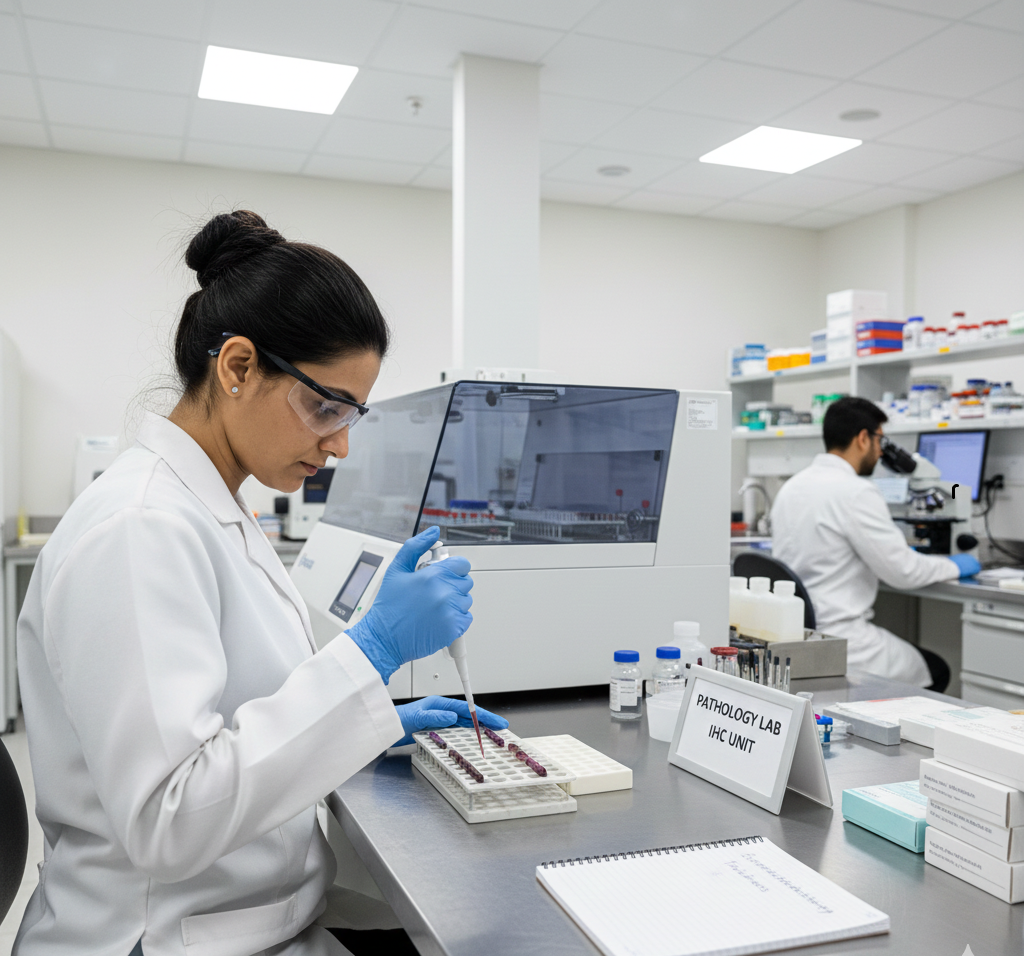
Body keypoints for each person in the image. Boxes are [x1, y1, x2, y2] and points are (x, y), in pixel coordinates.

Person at [14, 211, 507, 956]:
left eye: (354, 414)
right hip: (165, 935)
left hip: (245, 912)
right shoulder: (140, 527)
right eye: (325, 406)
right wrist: (371, 652)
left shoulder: (214, 504)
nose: (340, 443)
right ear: (237, 368)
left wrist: (368, 724)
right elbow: (169, 817)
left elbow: (238, 708)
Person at [770, 396, 981, 689]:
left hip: (798, 632)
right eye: (879, 439)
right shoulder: (856, 492)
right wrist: (954, 565)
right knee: (937, 670)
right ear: (863, 438)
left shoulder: (793, 485)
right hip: (843, 639)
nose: (881, 450)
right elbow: (905, 572)